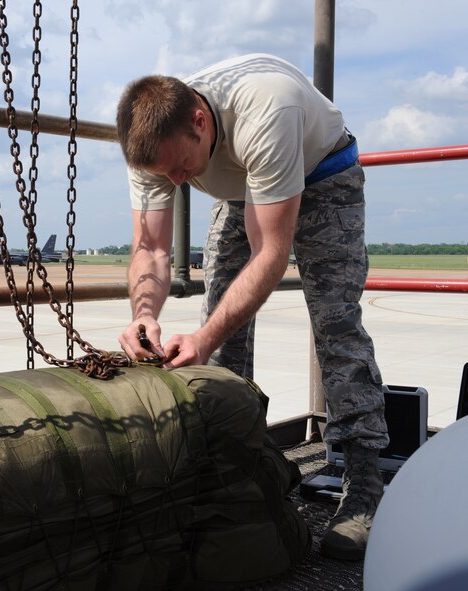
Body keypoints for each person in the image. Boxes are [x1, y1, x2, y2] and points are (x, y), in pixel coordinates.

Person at [115, 53, 388, 561]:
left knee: (335, 325)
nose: (175, 183)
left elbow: (271, 253)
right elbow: (151, 249)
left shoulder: (265, 108)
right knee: (220, 328)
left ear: (200, 120)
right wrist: (144, 315)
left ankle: (364, 487)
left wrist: (204, 338)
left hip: (323, 172)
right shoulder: (155, 144)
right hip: (244, 185)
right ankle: (236, 467)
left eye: (181, 168)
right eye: (164, 175)